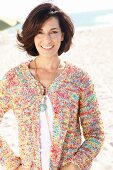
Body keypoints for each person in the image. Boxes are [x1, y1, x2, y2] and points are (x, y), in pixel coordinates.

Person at [0, 2, 104, 170]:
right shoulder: (14, 79)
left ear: (63, 35)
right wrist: (13, 164)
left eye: (53, 32)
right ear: (32, 36)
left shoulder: (79, 79)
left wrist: (74, 166)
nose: (47, 40)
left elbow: (96, 135)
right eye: (39, 32)